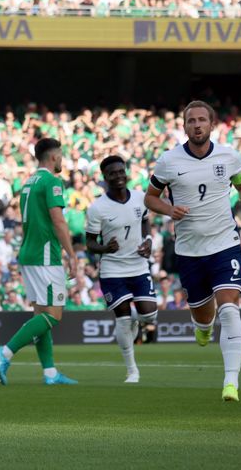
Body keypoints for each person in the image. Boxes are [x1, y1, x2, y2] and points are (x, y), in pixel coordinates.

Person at [144, 101, 241, 402]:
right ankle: (203, 327)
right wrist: (169, 209)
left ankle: (231, 383)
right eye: (190, 121)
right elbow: (150, 198)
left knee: (229, 307)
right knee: (204, 315)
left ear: (211, 124)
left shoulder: (229, 156)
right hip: (189, 250)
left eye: (201, 120)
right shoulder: (169, 161)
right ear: (184, 127)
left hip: (225, 243)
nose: (196, 125)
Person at [0, 138, 78, 386]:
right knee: (54, 315)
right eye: (60, 155)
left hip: (28, 253)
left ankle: (50, 373)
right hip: (45, 255)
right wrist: (72, 255)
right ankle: (5, 352)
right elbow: (59, 221)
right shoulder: (52, 181)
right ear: (53, 157)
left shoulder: (29, 183)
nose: (61, 159)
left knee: (41, 315)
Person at [85, 156, 157, 383]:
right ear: (104, 178)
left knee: (150, 314)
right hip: (112, 270)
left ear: (126, 172)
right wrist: (105, 247)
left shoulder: (139, 198)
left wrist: (147, 240)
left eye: (120, 171)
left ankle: (137, 320)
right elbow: (89, 242)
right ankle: (132, 370)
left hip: (138, 265)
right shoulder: (98, 208)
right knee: (123, 321)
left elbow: (145, 220)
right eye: (112, 173)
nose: (118, 176)